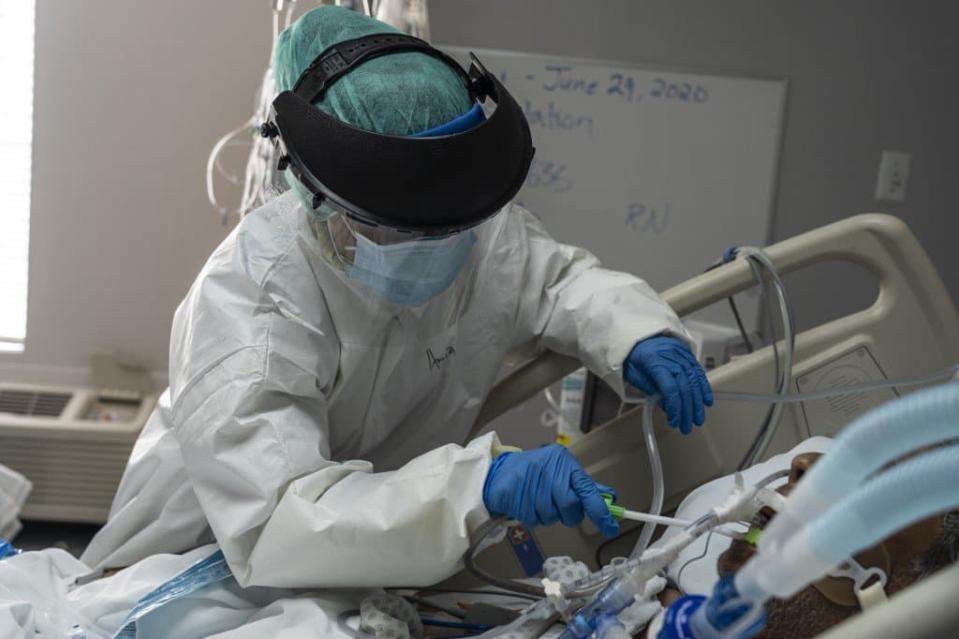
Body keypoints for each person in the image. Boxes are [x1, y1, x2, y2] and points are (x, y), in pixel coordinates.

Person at [81, 6, 711, 589]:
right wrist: (477, 487)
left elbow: (556, 282)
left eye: (446, 224)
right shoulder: (252, 295)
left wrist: (636, 331)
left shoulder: (478, 223)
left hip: (374, 554)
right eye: (394, 224)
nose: (431, 241)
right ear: (313, 192)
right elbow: (279, 521)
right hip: (207, 561)